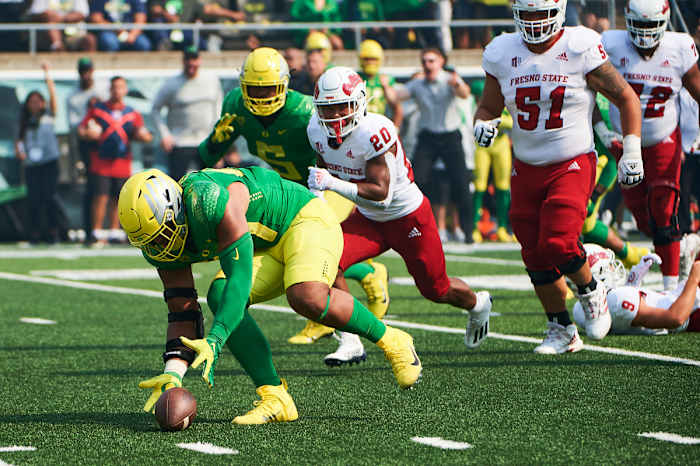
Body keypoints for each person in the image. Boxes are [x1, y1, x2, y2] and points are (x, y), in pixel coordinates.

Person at [118, 167, 422, 424]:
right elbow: (182, 311)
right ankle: (275, 396)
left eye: (161, 234)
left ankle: (392, 339)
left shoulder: (207, 201)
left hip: (302, 218)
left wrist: (215, 339)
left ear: (176, 209)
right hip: (265, 243)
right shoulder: (159, 247)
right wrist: (173, 373)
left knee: (306, 295)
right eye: (149, 242)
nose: (160, 247)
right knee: (220, 294)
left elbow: (239, 278)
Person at [473, 0, 644, 354]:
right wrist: (482, 123)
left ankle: (591, 289)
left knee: (558, 241)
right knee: (534, 252)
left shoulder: (579, 46)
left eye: (541, 14)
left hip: (571, 161)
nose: (535, 23)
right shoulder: (502, 51)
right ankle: (561, 328)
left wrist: (631, 150)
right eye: (528, 15)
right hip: (525, 165)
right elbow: (489, 106)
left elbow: (626, 97)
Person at [196, 47, 391, 349]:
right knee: (292, 251)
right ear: (242, 87)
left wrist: (340, 184)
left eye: (269, 89)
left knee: (310, 250)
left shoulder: (305, 113)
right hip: (288, 192)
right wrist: (216, 140)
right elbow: (207, 156)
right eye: (255, 90)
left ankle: (347, 328)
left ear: (285, 84)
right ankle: (365, 276)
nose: (261, 97)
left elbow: (342, 150)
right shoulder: (235, 104)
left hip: (324, 187)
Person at [307, 66, 493, 364]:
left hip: (407, 217)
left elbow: (382, 194)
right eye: (327, 109)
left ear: (359, 102)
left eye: (342, 106)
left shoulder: (376, 131)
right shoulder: (315, 130)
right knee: (325, 263)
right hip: (368, 219)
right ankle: (350, 340)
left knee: (436, 289)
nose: (335, 116)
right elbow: (325, 167)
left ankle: (477, 303)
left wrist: (329, 184)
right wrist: (318, 191)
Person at [601, 0, 700, 291]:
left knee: (664, 211)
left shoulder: (679, 48)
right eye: (639, 25)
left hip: (663, 139)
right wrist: (599, 127)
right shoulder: (610, 44)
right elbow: (584, 87)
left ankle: (671, 289)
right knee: (645, 221)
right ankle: (682, 250)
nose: (644, 34)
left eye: (650, 25)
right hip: (624, 141)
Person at [396, 48, 474, 242]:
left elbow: (465, 93)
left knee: (461, 183)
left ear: (440, 62)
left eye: (431, 61)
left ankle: (468, 233)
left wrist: (457, 85)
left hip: (450, 136)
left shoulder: (450, 78)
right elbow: (397, 96)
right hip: (428, 136)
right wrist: (386, 87)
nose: (427, 65)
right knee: (416, 181)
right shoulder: (417, 83)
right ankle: (415, 229)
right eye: (424, 61)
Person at [78, 76, 152, 247]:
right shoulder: (98, 110)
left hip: (122, 161)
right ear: (110, 90)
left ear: (125, 90)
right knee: (100, 196)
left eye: (120, 87)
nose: (117, 91)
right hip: (101, 161)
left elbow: (141, 133)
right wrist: (88, 133)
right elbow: (82, 129)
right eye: (114, 87)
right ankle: (96, 232)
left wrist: (144, 136)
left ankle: (115, 231)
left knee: (119, 198)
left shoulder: (132, 113)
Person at [573, 237, 700, 335]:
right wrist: (693, 277)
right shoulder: (618, 299)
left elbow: (625, 319)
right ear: (600, 274)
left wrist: (633, 282)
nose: (613, 267)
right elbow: (676, 318)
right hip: (691, 309)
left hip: (682, 299)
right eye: (610, 265)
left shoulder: (581, 311)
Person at [586, 93, 649, 267]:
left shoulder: (603, 106)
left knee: (579, 219)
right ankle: (629, 254)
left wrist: (597, 192)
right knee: (587, 226)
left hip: (591, 169)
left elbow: (613, 154)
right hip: (571, 164)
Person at [151, 46, 222, 181]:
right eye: (188, 59)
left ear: (199, 61)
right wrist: (164, 135)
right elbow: (155, 109)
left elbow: (218, 109)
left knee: (212, 184)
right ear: (183, 61)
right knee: (178, 186)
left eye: (194, 59)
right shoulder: (172, 84)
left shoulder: (211, 80)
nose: (191, 63)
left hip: (206, 142)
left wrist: (218, 142)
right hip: (180, 142)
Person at [14, 62, 63, 244]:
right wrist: (20, 153)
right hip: (31, 165)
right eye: (31, 101)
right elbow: (18, 142)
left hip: (49, 162)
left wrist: (48, 75)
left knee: (49, 197)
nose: (35, 104)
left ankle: (53, 233)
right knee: (34, 199)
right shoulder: (24, 122)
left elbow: (53, 98)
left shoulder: (49, 116)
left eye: (38, 101)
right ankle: (34, 234)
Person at [66, 57, 109, 241]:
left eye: (88, 70)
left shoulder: (102, 91)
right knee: (88, 187)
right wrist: (87, 130)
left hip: (104, 144)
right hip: (85, 145)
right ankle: (88, 228)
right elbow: (74, 125)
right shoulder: (72, 96)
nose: (86, 74)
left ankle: (107, 230)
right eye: (82, 71)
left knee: (106, 188)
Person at [469, 78, 513, 244]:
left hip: (500, 144)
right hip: (482, 146)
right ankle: (474, 227)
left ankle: (502, 227)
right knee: (479, 186)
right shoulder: (475, 105)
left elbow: (512, 122)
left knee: (503, 186)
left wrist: (499, 121)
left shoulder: (505, 98)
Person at [358, 39, 403, 129]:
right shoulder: (355, 78)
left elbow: (397, 108)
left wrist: (395, 129)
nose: (370, 62)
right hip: (359, 126)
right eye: (367, 59)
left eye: (373, 59)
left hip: (379, 126)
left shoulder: (386, 80)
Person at [27, 0, 96, 51]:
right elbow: (35, 12)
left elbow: (82, 14)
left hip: (75, 35)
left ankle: (87, 68)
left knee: (90, 40)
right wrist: (49, 16)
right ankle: (58, 49)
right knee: (51, 25)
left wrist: (61, 19)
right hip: (49, 35)